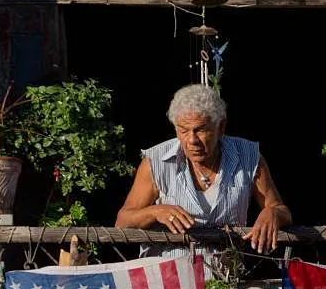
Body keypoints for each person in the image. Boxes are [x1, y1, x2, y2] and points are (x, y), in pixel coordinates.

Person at [115, 84, 291, 254]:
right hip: (169, 276)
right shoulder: (155, 162)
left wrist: (272, 213)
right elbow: (123, 222)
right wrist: (155, 212)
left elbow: (281, 210)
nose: (192, 140)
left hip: (227, 275)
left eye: (201, 130)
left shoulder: (249, 158)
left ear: (221, 127)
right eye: (184, 131)